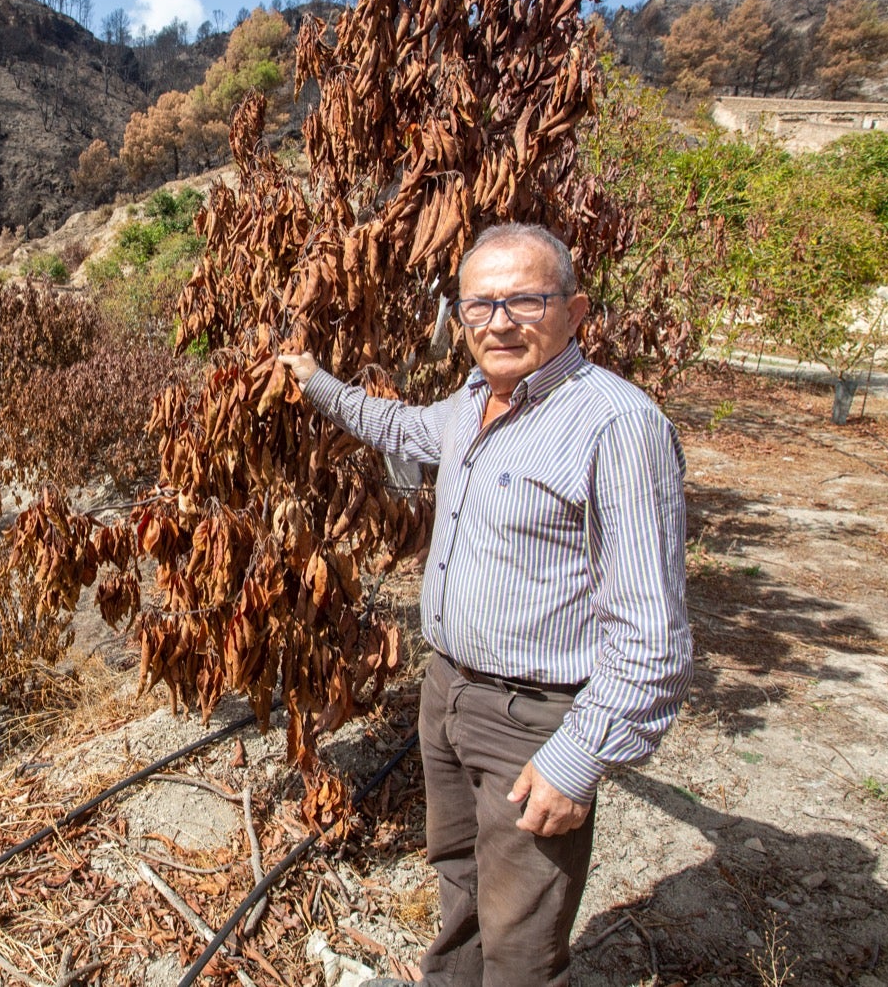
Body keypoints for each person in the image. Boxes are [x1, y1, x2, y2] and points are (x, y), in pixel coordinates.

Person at [277, 223, 691, 986]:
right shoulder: (472, 403)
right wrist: (313, 380)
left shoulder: (617, 425)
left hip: (536, 719)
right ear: (460, 316)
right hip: (448, 691)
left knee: (521, 933)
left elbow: (653, 637)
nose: (499, 321)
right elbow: (396, 425)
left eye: (525, 300)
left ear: (575, 310)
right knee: (459, 876)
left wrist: (577, 759)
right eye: (479, 304)